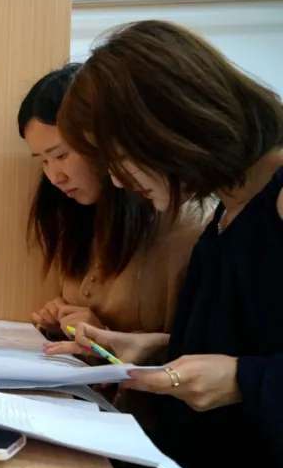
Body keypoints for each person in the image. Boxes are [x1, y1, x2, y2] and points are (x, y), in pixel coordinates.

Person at [51, 20, 283, 468]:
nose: (115, 181)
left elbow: (250, 365)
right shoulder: (230, 203)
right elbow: (251, 336)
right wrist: (153, 347)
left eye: (116, 158)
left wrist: (243, 380)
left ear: (164, 126)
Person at [18, 64, 202, 341]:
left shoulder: (186, 228)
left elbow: (197, 353)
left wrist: (103, 336)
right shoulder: (79, 215)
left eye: (61, 155)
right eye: (43, 161)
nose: (55, 177)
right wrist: (63, 319)